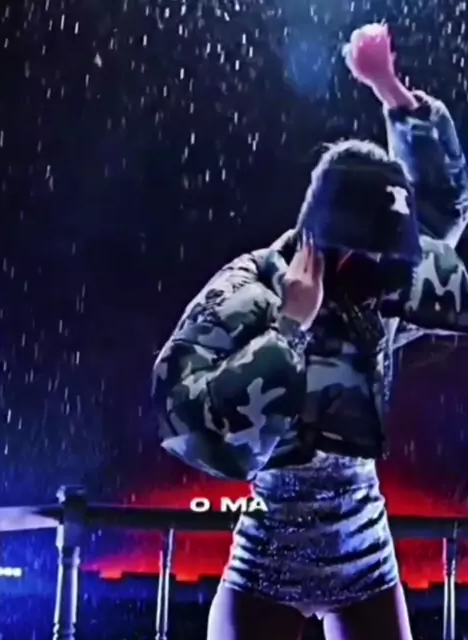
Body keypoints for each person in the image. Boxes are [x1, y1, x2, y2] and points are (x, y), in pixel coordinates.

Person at [151, 24, 468, 640]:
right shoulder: (250, 290)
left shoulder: (386, 274)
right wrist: (288, 329)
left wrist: (392, 92)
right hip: (265, 567)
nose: (387, 275)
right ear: (333, 246)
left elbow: (440, 209)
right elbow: (178, 413)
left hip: (366, 559)